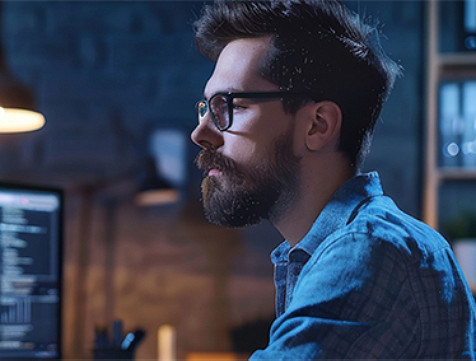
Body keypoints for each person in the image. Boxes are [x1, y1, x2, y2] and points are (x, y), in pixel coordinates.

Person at [190, 0, 476, 359]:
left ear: (317, 125)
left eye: (230, 106)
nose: (201, 133)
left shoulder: (370, 250)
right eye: (206, 108)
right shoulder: (355, 246)